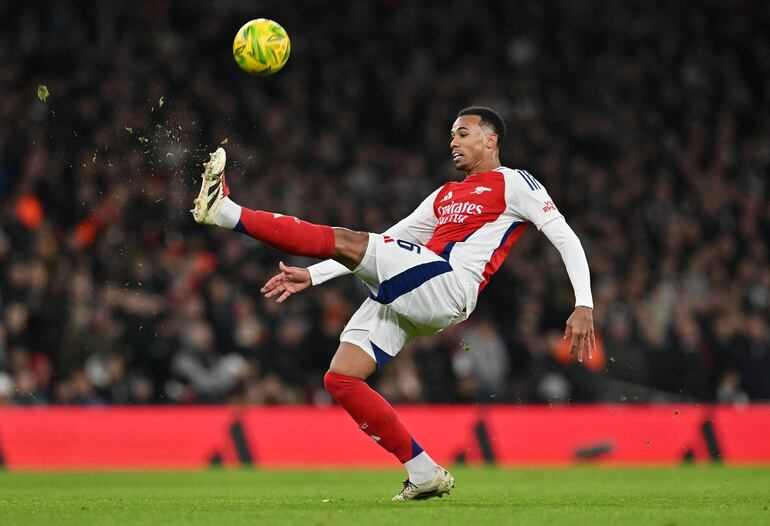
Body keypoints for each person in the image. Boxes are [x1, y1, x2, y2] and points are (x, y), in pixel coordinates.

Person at [192, 106, 596, 500]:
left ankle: (226, 212)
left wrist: (584, 304)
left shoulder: (515, 183)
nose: (452, 142)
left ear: (491, 140)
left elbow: (565, 237)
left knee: (348, 239)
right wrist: (314, 275)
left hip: (450, 285)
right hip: (417, 290)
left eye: (463, 133)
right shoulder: (444, 195)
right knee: (342, 377)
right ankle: (423, 472)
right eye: (451, 135)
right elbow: (389, 238)